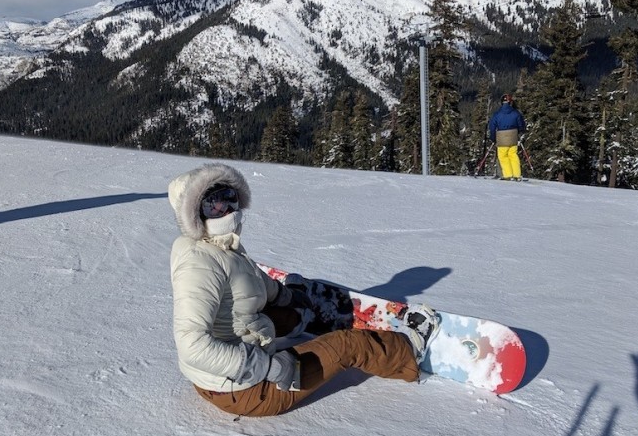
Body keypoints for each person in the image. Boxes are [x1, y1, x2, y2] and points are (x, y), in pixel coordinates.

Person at [168, 162, 438, 418]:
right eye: (213, 204)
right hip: (247, 389)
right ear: (193, 214)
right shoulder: (197, 264)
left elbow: (250, 277)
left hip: (230, 368)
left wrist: (287, 297)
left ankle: (301, 321)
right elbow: (192, 345)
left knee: (279, 311)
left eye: (229, 197)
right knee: (348, 345)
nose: (226, 209)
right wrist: (268, 367)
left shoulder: (219, 245)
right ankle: (409, 352)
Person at [488, 93, 526, 180]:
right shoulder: (516, 113)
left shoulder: (497, 114)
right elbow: (521, 125)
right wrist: (520, 133)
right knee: (513, 155)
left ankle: (508, 174)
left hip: (501, 137)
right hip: (513, 136)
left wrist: (493, 138)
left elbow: (492, 127)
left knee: (503, 156)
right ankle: (517, 175)